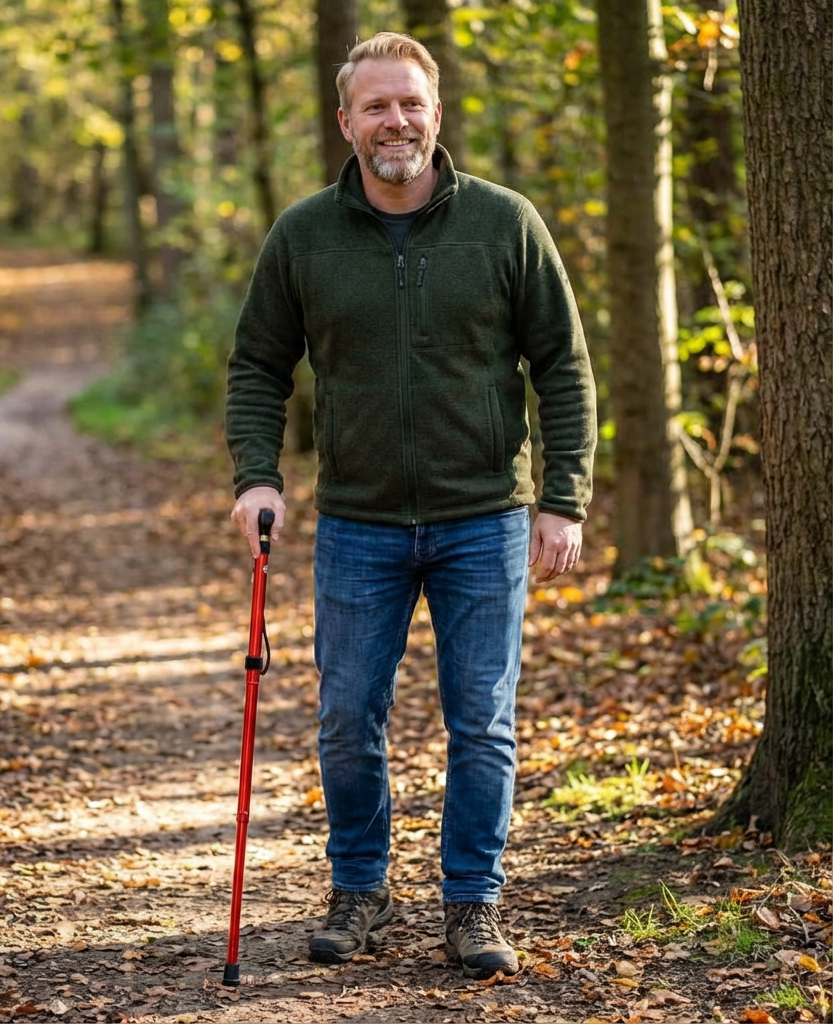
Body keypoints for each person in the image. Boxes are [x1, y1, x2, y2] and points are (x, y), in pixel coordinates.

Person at [225, 32, 596, 980]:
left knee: (484, 720)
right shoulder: (303, 234)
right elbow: (259, 365)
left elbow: (563, 365)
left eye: (412, 104)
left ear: (437, 114)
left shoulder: (507, 224)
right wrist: (256, 477)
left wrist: (564, 498)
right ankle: (360, 887)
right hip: (358, 520)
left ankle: (472, 902)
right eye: (377, 106)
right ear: (345, 120)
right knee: (349, 716)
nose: (397, 121)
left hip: (486, 518)